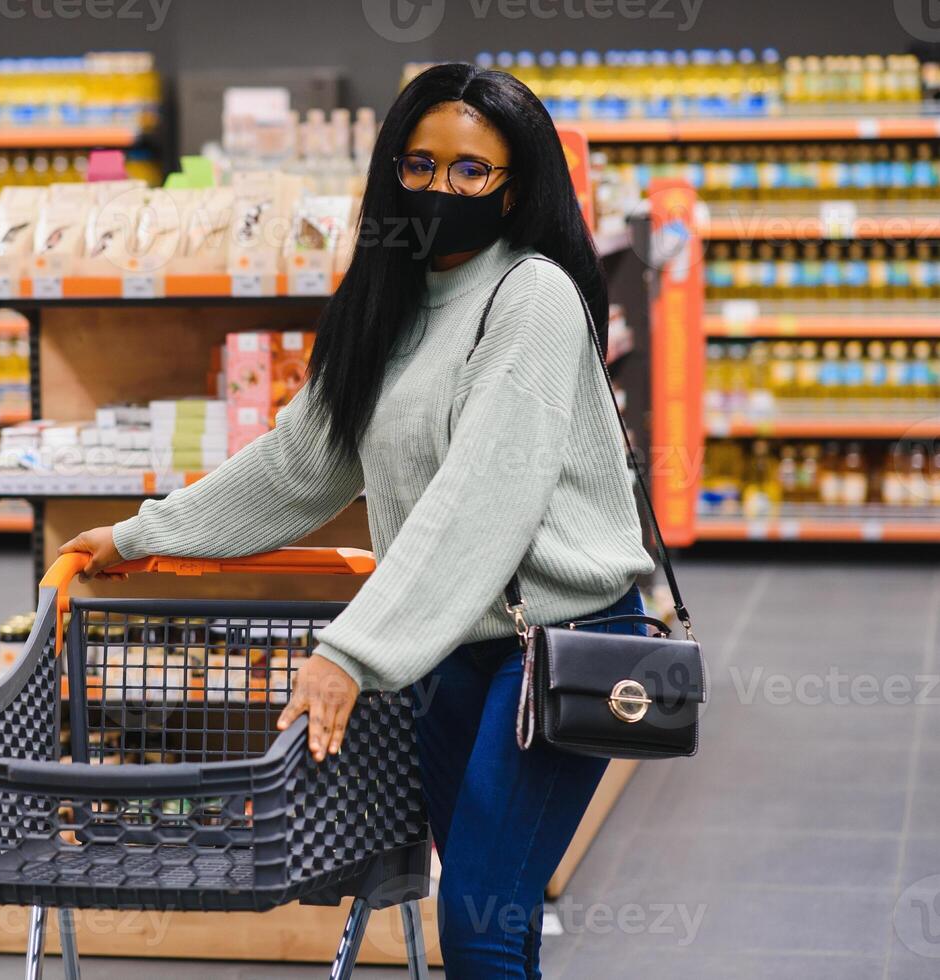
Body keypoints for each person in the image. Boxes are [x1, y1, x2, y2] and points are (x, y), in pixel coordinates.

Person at [59, 62, 657, 978]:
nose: (438, 188)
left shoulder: (530, 296)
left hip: (554, 645)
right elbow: (302, 461)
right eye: (418, 166)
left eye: (470, 172)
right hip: (451, 644)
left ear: (514, 188)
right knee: (491, 907)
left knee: (478, 923)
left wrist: (352, 652)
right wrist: (141, 534)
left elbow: (480, 501)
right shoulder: (392, 301)